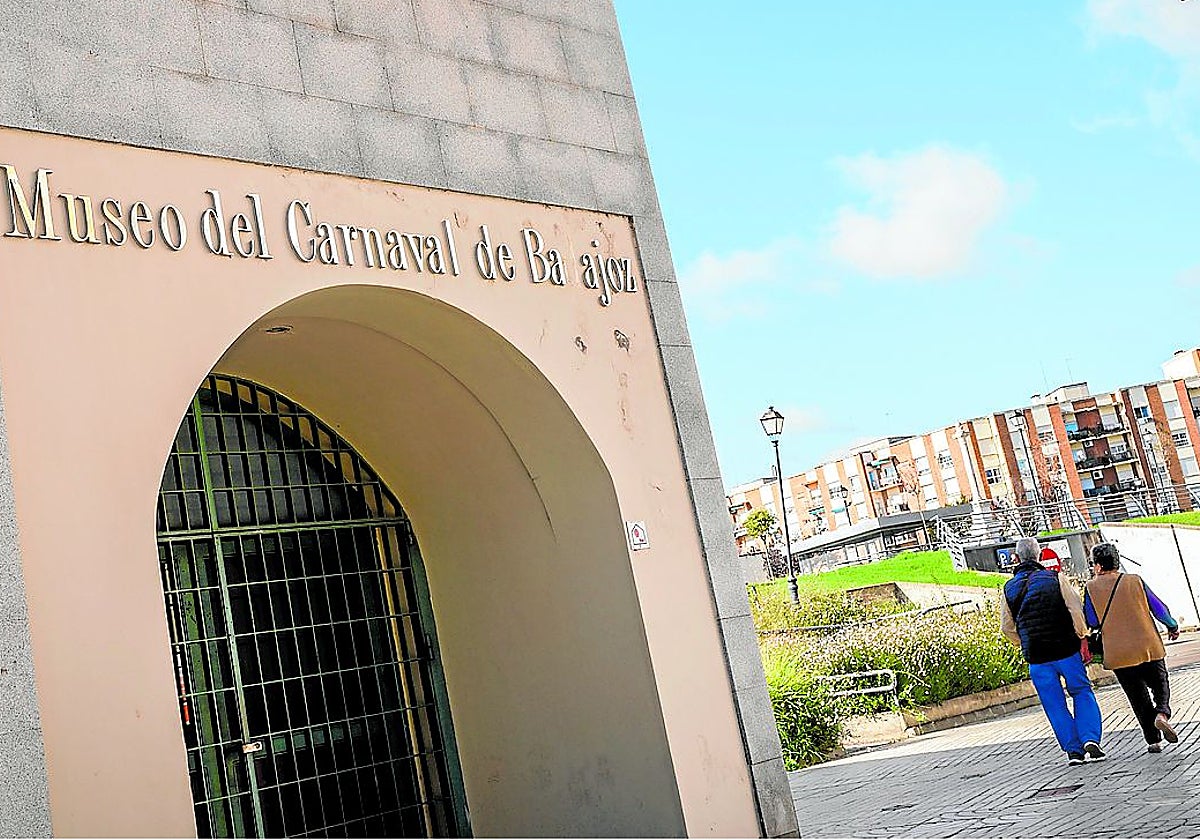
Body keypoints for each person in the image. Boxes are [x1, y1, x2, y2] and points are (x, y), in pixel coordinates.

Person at [1001, 536, 1104, 765]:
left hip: (1037, 657)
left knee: (1053, 703)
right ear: (1039, 556)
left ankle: (1073, 751)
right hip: (1065, 649)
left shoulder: (1009, 588)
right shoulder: (1056, 578)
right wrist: (1082, 636)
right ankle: (1090, 737)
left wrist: (1024, 641)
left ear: (1016, 558)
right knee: (1081, 691)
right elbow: (1075, 611)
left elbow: (1007, 627)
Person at [1084, 542, 1181, 754]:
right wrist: (1171, 625)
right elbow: (1157, 607)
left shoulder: (1091, 588)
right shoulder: (1134, 580)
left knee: (1137, 697)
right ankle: (1162, 714)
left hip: (1119, 653)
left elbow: (1091, 621)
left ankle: (1153, 740)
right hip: (1147, 645)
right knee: (1160, 684)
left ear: (1098, 566)